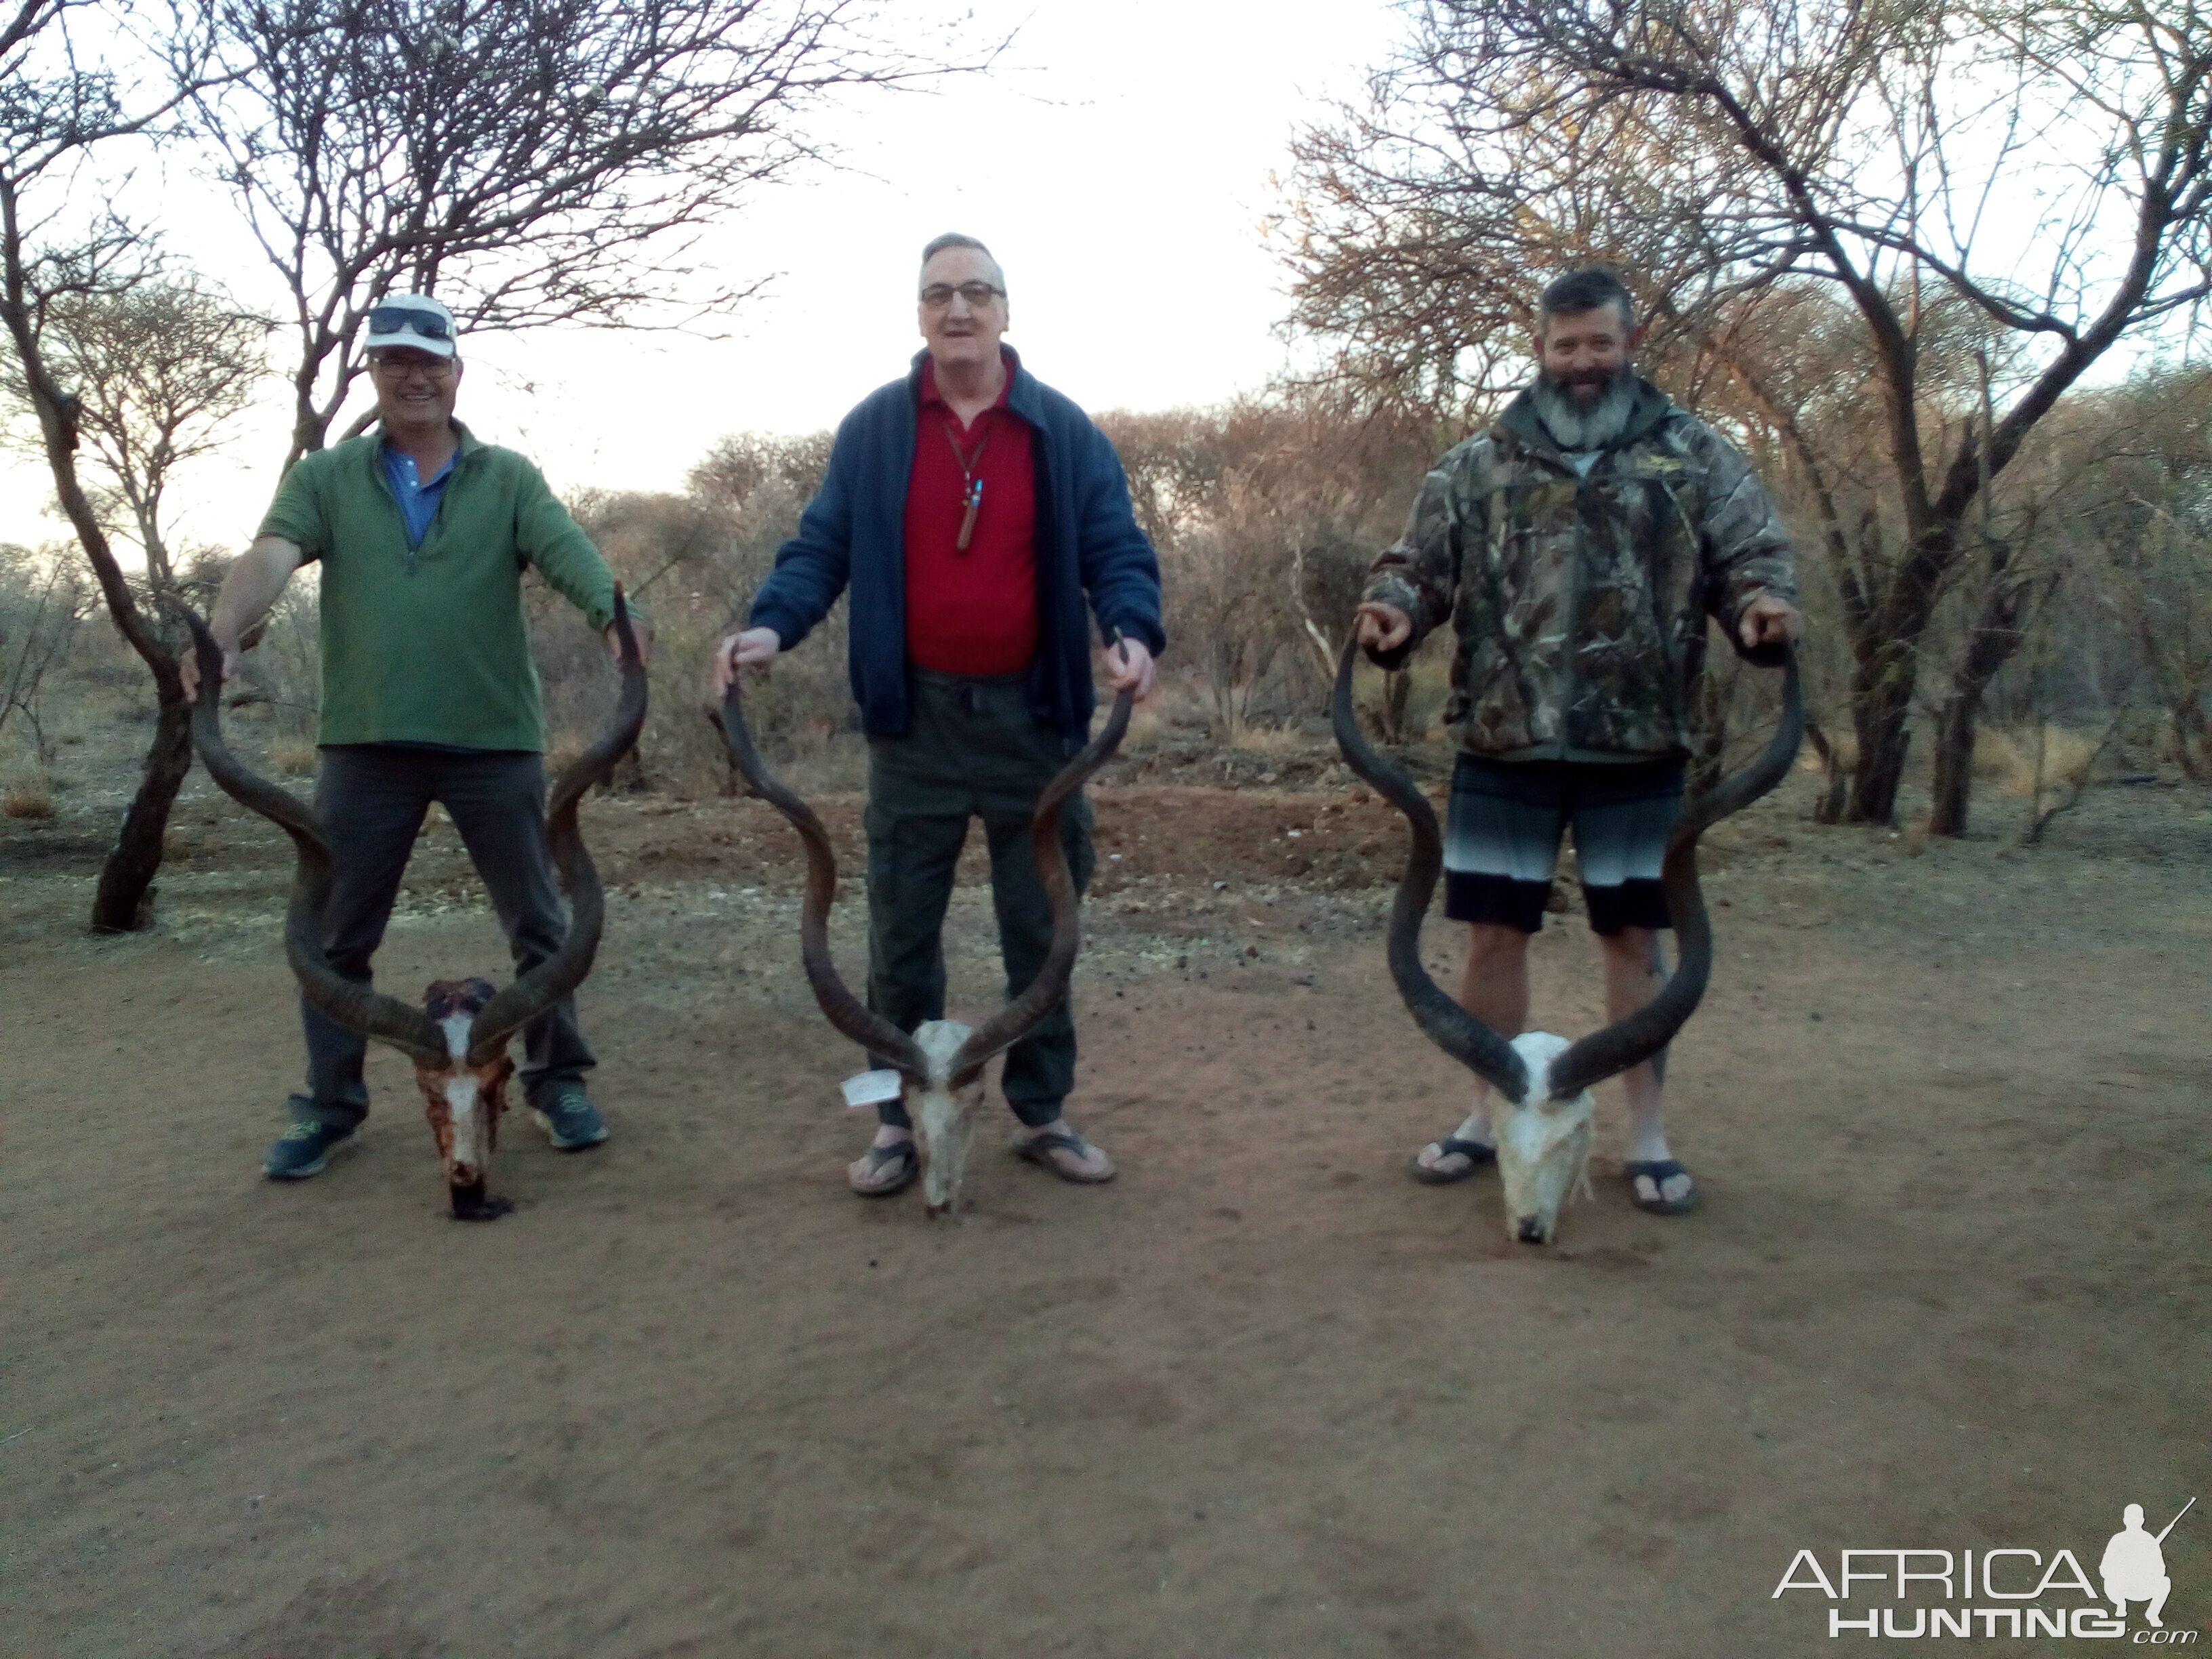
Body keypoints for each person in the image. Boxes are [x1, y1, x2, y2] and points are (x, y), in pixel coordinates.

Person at [710, 232, 1164, 1197]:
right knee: (899, 936)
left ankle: (1041, 1113)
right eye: (938, 295)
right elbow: (819, 547)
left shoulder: (1063, 431)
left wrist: (1131, 629)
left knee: (1041, 930)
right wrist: (770, 628)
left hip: (1032, 726)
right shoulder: (876, 428)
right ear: (919, 315)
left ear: (1007, 311)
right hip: (912, 724)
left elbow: (1116, 548)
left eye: (976, 293)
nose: (957, 309)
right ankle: (895, 1120)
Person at [1354, 266, 1803, 1215]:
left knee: (1636, 941)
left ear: (1630, 344)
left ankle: (1646, 1136)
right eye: (1567, 346)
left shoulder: (1694, 455)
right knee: (1490, 938)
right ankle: (1487, 1115)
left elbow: (1753, 556)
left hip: (1639, 744)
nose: (1584, 362)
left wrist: (1764, 607)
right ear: (1541, 351)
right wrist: (1393, 611)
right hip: (1503, 739)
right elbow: (1416, 566)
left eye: (1600, 343)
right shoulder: (1478, 461)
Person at [182, 293, 653, 1181]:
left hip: (494, 741)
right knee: (336, 940)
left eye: (431, 360)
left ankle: (559, 1085)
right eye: (395, 360)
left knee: (542, 931)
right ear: (372, 373)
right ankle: (330, 1107)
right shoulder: (326, 478)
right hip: (367, 745)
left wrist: (614, 621)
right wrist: (224, 632)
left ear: (457, 373)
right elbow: (273, 554)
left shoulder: (507, 476)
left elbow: (570, 555)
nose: (414, 375)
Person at [2100, 1504, 2173, 1626]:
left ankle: (2152, 1614)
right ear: (2125, 1520)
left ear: (2142, 1521)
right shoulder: (2117, 1540)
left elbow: (2161, 1570)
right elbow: (2104, 1568)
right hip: (2121, 1588)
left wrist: (2146, 1569)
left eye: (2136, 1518)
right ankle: (2120, 1604)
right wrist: (2121, 1570)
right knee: (2108, 1581)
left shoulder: (2149, 1540)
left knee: (2165, 1582)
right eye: (2130, 1518)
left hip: (2144, 1588)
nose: (2133, 1521)